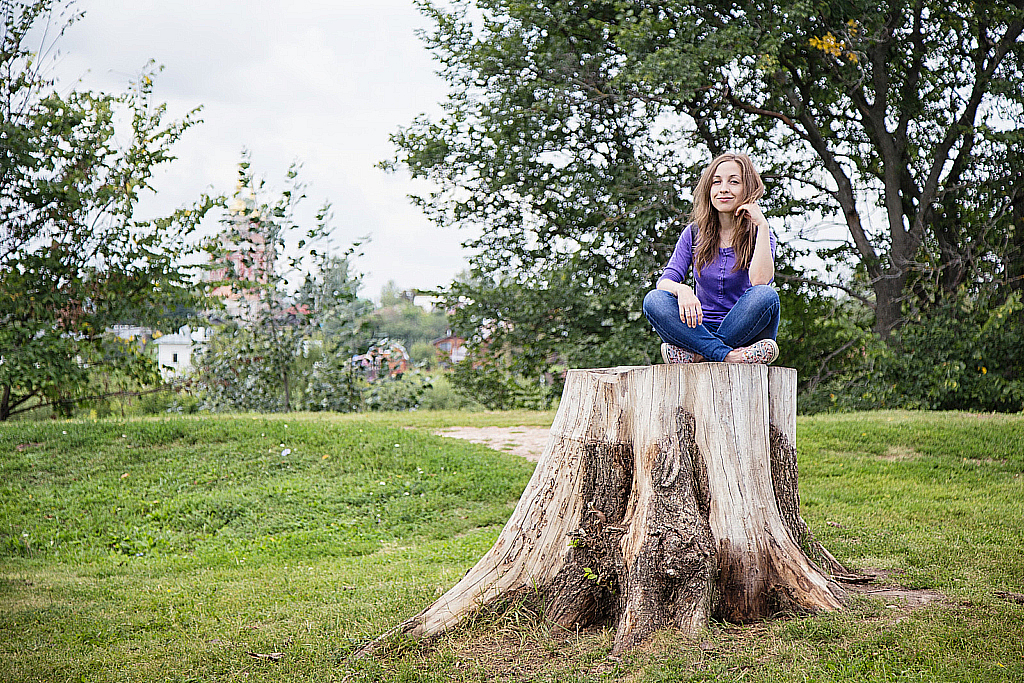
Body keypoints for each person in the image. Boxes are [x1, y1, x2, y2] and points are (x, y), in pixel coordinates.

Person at [642, 152, 780, 365]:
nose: (723, 188)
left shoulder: (761, 234)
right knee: (654, 300)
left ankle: (700, 355)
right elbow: (665, 281)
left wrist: (762, 225)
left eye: (734, 182)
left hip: (746, 332)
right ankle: (728, 356)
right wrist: (683, 290)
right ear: (709, 189)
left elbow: (760, 282)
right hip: (698, 329)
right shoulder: (693, 233)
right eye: (717, 182)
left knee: (766, 296)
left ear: (748, 189)